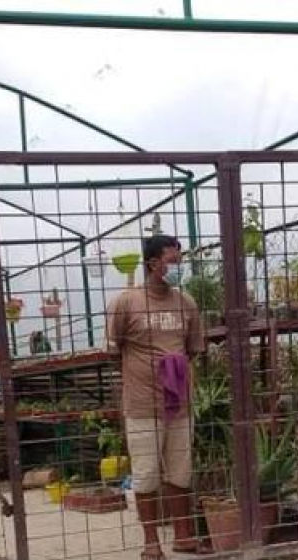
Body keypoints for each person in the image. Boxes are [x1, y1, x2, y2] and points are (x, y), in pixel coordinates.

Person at [106, 234, 206, 560]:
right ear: (153, 263)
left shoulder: (186, 303)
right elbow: (114, 350)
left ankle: (183, 537)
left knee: (181, 472)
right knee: (146, 474)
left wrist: (173, 371)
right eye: (172, 261)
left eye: (179, 260)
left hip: (179, 404)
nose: (178, 266)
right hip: (142, 405)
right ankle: (151, 542)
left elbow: (193, 349)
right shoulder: (126, 303)